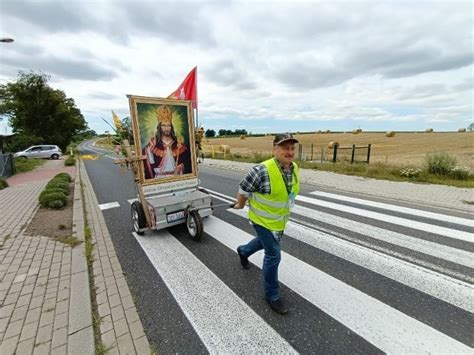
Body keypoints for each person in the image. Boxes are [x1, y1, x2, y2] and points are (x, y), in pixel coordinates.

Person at [234, 133, 300, 315]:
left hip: (279, 220)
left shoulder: (294, 168)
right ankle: (272, 295)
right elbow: (244, 188)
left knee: (264, 243)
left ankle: (244, 250)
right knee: (273, 254)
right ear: (274, 149)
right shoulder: (261, 170)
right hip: (262, 220)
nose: (290, 152)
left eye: (292, 148)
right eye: (285, 148)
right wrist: (240, 204)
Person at [142, 105, 191, 179]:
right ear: (159, 127)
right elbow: (150, 162)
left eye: (168, 125)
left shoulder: (178, 144)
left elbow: (188, 160)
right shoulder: (154, 143)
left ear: (171, 128)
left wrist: (181, 166)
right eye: (163, 125)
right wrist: (150, 148)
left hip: (176, 177)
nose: (166, 128)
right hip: (159, 179)